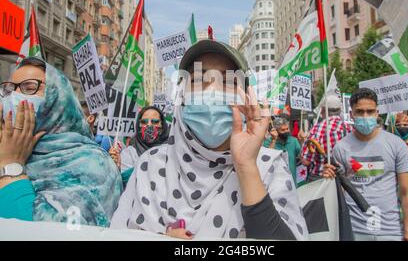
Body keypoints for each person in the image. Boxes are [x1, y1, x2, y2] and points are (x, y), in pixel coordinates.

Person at [111, 40, 308, 240]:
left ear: (246, 97)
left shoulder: (269, 168)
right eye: (197, 79)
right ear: (181, 95)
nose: (212, 92)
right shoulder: (149, 166)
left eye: (229, 82)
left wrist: (246, 167)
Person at [0, 57, 122, 226]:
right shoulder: (4, 147)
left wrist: (10, 166)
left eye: (29, 88)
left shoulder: (93, 164)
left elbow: (43, 233)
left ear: (58, 98)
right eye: (8, 90)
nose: (14, 97)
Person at [323, 88, 408, 241]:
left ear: (377, 113)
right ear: (352, 113)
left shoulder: (396, 145)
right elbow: (336, 193)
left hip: (390, 231)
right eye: (360, 112)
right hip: (354, 230)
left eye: (370, 111)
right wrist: (328, 179)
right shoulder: (341, 147)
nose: (365, 116)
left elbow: (407, 193)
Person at [109, 106, 169, 184]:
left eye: (155, 122)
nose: (149, 125)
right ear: (138, 125)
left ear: (162, 125)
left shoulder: (171, 150)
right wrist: (116, 169)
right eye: (144, 122)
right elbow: (124, 183)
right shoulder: (130, 152)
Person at [301, 95, 353, 182]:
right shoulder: (349, 128)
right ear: (340, 110)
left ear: (322, 110)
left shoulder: (318, 130)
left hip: (321, 179)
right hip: (344, 179)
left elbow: (306, 161)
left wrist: (302, 141)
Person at [263, 117, 301, 186]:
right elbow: (267, 159)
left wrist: (303, 141)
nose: (286, 131)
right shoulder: (268, 142)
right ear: (276, 131)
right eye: (283, 130)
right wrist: (274, 140)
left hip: (291, 182)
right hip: (274, 183)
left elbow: (303, 157)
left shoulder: (293, 141)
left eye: (287, 129)